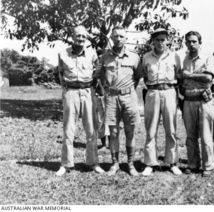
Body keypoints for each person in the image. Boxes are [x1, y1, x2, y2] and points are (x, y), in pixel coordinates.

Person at [56, 25, 104, 176]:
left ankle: (93, 162)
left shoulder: (92, 53)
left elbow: (97, 73)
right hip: (71, 92)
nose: (81, 38)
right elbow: (60, 73)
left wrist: (94, 89)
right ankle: (66, 164)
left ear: (86, 37)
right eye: (78, 36)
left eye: (83, 36)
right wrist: (66, 90)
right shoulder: (63, 53)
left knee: (91, 129)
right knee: (68, 129)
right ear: (72, 37)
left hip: (88, 92)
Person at [96, 26, 141, 176]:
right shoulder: (105, 57)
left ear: (126, 38)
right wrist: (107, 90)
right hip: (111, 98)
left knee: (130, 131)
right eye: (115, 36)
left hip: (129, 97)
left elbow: (138, 76)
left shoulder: (134, 57)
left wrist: (127, 89)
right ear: (112, 38)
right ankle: (115, 164)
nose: (118, 39)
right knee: (113, 132)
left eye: (121, 36)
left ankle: (130, 164)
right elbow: (100, 76)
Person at [139, 28, 182, 176]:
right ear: (153, 41)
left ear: (168, 41)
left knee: (171, 128)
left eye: (163, 39)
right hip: (152, 92)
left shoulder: (175, 56)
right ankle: (150, 163)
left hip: (169, 92)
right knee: (151, 129)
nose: (160, 43)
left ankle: (172, 162)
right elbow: (144, 76)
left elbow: (179, 75)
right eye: (157, 40)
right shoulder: (146, 57)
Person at [180, 31, 214, 176]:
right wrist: (194, 78)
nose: (191, 44)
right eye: (188, 41)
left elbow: (208, 78)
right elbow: (184, 80)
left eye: (194, 41)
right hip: (189, 100)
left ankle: (208, 166)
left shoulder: (208, 58)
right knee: (190, 135)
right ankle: (193, 163)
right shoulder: (185, 60)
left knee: (206, 135)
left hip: (204, 100)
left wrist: (191, 76)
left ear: (200, 42)